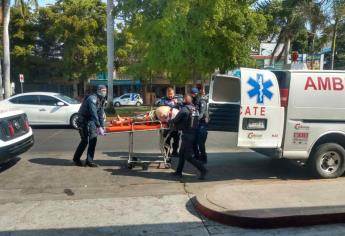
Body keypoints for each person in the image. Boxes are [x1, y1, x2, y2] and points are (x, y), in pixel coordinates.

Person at [170, 95, 208, 180]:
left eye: (183, 99)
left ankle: (203, 170)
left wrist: (167, 120)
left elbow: (175, 120)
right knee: (182, 154)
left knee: (187, 156)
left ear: (185, 100)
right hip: (193, 134)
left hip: (187, 135)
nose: (182, 100)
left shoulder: (184, 109)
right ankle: (178, 172)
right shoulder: (195, 109)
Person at [73, 85, 107, 167]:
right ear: (98, 90)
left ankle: (89, 160)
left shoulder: (102, 99)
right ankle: (76, 159)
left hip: (91, 120)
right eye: (102, 90)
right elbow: (93, 112)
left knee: (93, 139)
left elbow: (100, 113)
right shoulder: (92, 98)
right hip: (83, 120)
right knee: (84, 141)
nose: (104, 92)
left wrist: (102, 126)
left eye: (105, 90)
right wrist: (98, 126)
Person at [159, 87, 181, 157]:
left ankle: (175, 152)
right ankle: (167, 153)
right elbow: (161, 109)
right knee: (167, 139)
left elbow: (181, 109)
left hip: (176, 123)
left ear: (174, 93)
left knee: (176, 138)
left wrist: (177, 103)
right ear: (166, 94)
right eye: (169, 94)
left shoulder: (178, 100)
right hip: (166, 123)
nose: (170, 95)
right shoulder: (163, 100)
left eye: (171, 94)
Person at [191, 87, 208, 163]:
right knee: (194, 141)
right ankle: (197, 156)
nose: (193, 95)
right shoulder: (194, 101)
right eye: (192, 93)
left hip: (202, 125)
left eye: (194, 93)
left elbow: (201, 113)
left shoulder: (202, 101)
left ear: (197, 93)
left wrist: (194, 120)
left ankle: (204, 158)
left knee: (200, 143)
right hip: (197, 125)